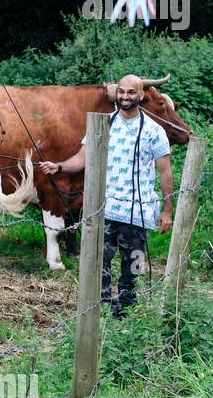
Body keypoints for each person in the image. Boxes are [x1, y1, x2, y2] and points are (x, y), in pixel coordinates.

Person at [39, 75, 174, 317]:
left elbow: (165, 171)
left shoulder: (154, 131)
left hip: (137, 213)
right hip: (104, 211)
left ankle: (126, 313)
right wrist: (58, 167)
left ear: (141, 95)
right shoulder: (103, 125)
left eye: (131, 92)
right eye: (121, 91)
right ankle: (98, 312)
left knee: (132, 267)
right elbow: (82, 158)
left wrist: (166, 210)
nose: (125, 96)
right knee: (99, 263)